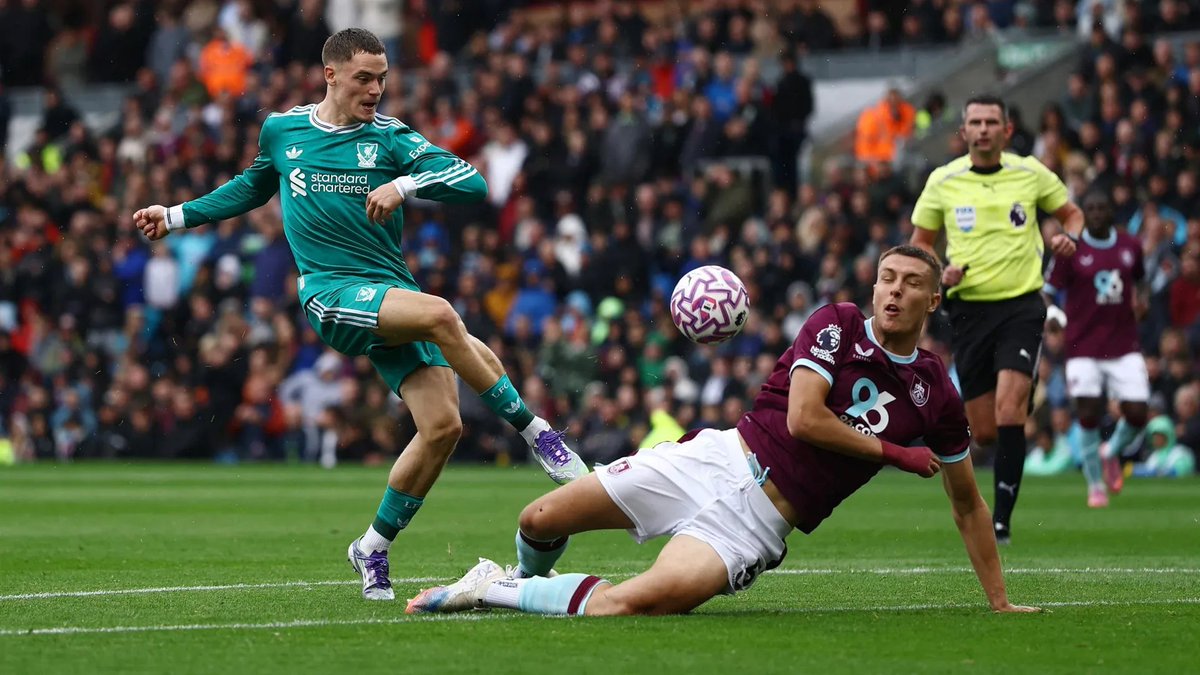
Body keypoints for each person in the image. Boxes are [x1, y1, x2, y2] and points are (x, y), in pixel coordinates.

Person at [132, 28, 588, 601]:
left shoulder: (391, 138)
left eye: (383, 78)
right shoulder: (284, 130)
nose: (376, 89)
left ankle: (372, 546)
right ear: (331, 75)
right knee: (445, 316)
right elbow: (250, 188)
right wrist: (174, 216)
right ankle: (539, 435)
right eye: (364, 78)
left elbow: (470, 183)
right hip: (330, 293)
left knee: (443, 427)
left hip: (390, 292)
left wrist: (405, 183)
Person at [405, 246, 1039, 617]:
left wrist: (1000, 602)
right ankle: (519, 571)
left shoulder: (937, 394)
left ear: (935, 302)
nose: (894, 291)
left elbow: (967, 502)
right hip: (718, 459)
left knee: (631, 605)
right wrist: (894, 452)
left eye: (912, 285)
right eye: (887, 279)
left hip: (757, 525)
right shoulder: (837, 322)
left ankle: (495, 590)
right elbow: (804, 419)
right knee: (540, 518)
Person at [910, 94, 1084, 545]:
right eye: (975, 122)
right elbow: (921, 242)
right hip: (967, 310)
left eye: (992, 122)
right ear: (963, 131)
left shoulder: (1030, 172)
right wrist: (938, 272)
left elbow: (1072, 214)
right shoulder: (943, 180)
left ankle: (1001, 521)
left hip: (1021, 306)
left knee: (1009, 412)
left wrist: (1072, 238)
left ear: (1006, 131)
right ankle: (1018, 392)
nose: (983, 129)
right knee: (985, 432)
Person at [1043, 190, 1149, 508]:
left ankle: (1111, 450)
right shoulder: (1069, 248)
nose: (1097, 213)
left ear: (1112, 211)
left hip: (1124, 343)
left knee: (1137, 412)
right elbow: (1048, 292)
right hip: (1082, 344)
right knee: (1087, 413)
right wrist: (1054, 315)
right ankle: (1094, 486)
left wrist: (1140, 301)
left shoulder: (1130, 245)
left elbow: (1140, 280)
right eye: (1091, 208)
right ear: (1083, 213)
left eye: (1102, 207)